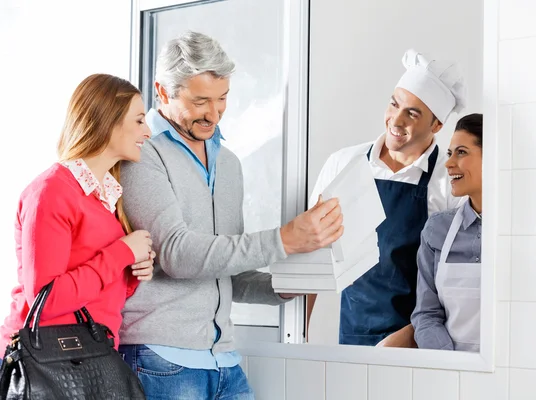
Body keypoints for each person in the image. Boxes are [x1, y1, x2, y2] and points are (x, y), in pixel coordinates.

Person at [117, 31, 343, 400]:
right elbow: (177, 254)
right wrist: (283, 239)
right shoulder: (142, 156)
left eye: (222, 99)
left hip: (223, 362)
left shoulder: (229, 163)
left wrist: (284, 286)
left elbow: (228, 275)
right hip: (161, 361)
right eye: (200, 100)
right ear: (162, 92)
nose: (214, 113)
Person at [309, 49, 466, 347]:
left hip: (417, 343)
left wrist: (401, 342)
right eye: (394, 104)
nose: (396, 119)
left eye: (413, 113)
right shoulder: (343, 164)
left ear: (436, 126)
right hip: (351, 338)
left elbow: (452, 289)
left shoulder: (448, 184)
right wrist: (297, 339)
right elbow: (312, 254)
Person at [0, 74, 155, 349]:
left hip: (88, 356)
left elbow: (97, 293)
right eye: (139, 120)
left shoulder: (107, 197)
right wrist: (122, 252)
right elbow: (45, 301)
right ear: (108, 120)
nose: (148, 132)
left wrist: (131, 269)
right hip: (46, 362)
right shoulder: (52, 191)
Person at [411, 113, 483, 352]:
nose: (449, 163)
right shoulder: (437, 230)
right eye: (450, 153)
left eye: (461, 152)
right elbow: (427, 315)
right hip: (450, 373)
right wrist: (450, 365)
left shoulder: (522, 231)